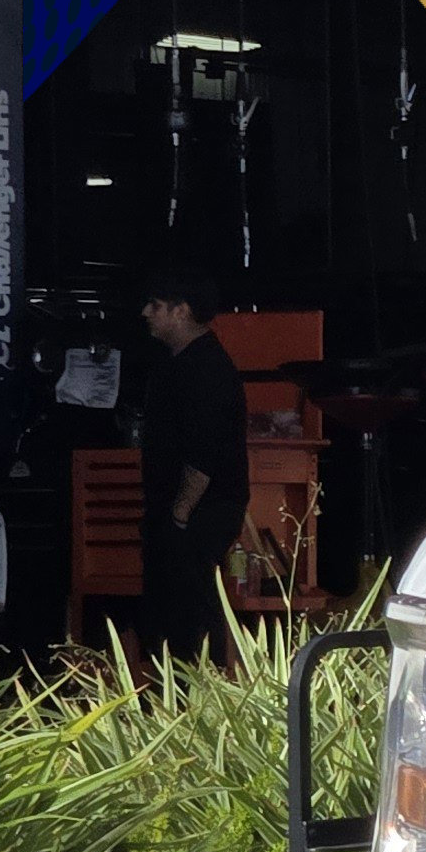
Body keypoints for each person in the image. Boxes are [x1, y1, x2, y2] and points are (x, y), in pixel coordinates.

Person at [131, 268, 251, 663]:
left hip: (200, 512)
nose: (146, 312)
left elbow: (205, 449)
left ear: (181, 311)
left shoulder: (205, 369)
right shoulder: (179, 363)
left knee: (189, 610)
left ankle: (196, 686)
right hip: (180, 510)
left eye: (156, 305)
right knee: (170, 610)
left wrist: (181, 512)